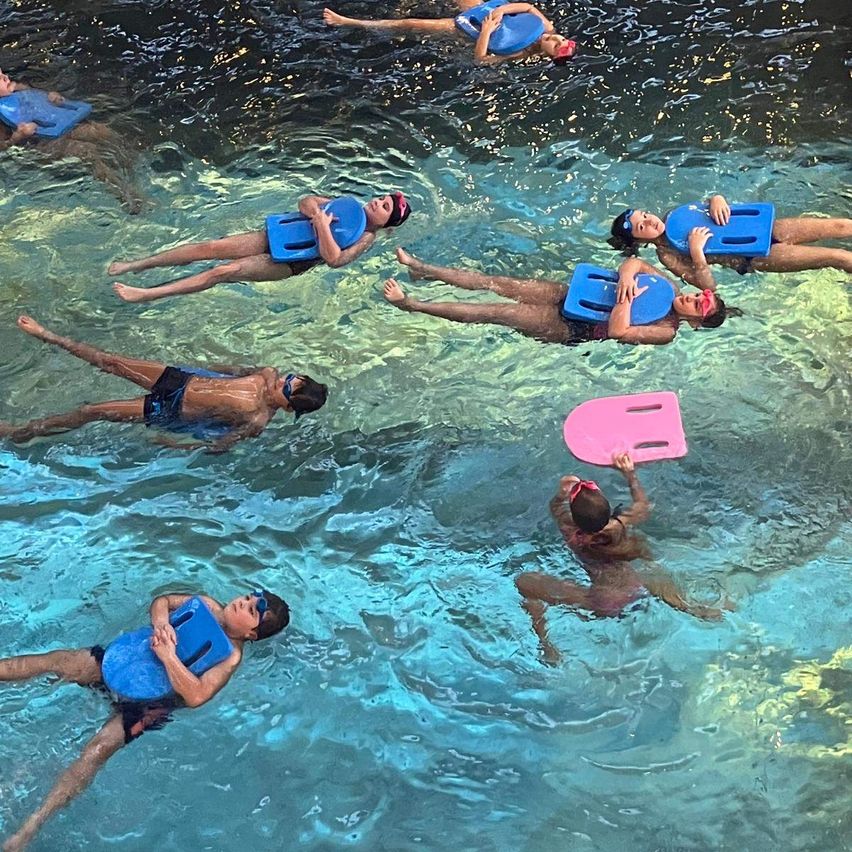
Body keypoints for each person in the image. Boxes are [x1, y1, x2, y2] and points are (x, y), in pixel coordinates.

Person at [0, 589, 290, 851]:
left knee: (97, 751)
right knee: (54, 661)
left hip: (150, 703)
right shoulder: (204, 603)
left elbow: (197, 696)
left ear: (252, 634)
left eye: (251, 610)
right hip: (122, 662)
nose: (243, 601)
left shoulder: (230, 659)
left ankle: (30, 827)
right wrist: (162, 622)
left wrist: (168, 657)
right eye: (249, 597)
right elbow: (162, 601)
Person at [515, 454, 732, 664]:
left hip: (604, 599)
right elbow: (642, 506)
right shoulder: (617, 526)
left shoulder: (573, 534)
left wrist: (561, 494)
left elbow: (555, 509)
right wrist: (630, 475)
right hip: (635, 585)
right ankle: (699, 609)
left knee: (524, 583)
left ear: (574, 516)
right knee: (656, 577)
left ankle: (547, 644)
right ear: (607, 509)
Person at [0, 316, 328, 453]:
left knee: (93, 410)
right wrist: (190, 366)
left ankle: (19, 431)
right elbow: (224, 370)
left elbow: (217, 445)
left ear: (288, 406)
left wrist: (174, 446)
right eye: (292, 376)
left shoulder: (256, 420)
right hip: (179, 379)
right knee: (110, 360)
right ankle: (48, 336)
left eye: (288, 387)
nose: (283, 380)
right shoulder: (266, 373)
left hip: (169, 408)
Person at [383, 244, 737, 346]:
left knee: (496, 311)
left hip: (572, 327)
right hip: (572, 292)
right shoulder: (670, 287)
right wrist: (628, 278)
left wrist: (625, 300)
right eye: (696, 295)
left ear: (694, 323)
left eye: (697, 307)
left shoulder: (665, 331)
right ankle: (422, 268)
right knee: (493, 282)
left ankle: (412, 304)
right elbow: (634, 261)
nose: (690, 299)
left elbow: (619, 332)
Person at [108, 191, 412, 302]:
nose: (378, 201)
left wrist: (321, 226)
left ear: (387, 222)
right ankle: (137, 265)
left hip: (290, 261)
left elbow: (333, 259)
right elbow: (306, 200)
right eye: (382, 198)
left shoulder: (366, 239)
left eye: (384, 206)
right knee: (210, 247)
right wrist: (316, 213)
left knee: (224, 271)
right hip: (279, 235)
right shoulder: (348, 205)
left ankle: (148, 294)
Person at [0, 68, 143, 213]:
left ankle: (133, 163)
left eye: (2, 73)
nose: (6, 77)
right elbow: (3, 147)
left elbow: (38, 97)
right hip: (38, 145)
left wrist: (52, 97)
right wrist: (18, 136)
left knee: (100, 131)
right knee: (86, 152)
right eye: (0, 78)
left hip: (60, 126)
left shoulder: (17, 89)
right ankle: (126, 196)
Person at [608, 195, 852, 280]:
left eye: (646, 215)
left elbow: (711, 206)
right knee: (837, 256)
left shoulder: (677, 214)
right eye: (642, 226)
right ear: (640, 241)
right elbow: (707, 286)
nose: (651, 220)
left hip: (764, 227)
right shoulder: (668, 256)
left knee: (839, 225)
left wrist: (717, 199)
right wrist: (696, 252)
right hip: (755, 256)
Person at [323, 1, 577, 65]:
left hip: (468, 30)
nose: (556, 39)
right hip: (484, 10)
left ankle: (348, 21)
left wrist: (486, 32)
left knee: (411, 23)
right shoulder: (547, 27)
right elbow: (528, 7)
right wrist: (501, 10)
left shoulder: (521, 53)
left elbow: (481, 60)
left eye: (556, 45)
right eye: (562, 38)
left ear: (550, 55)